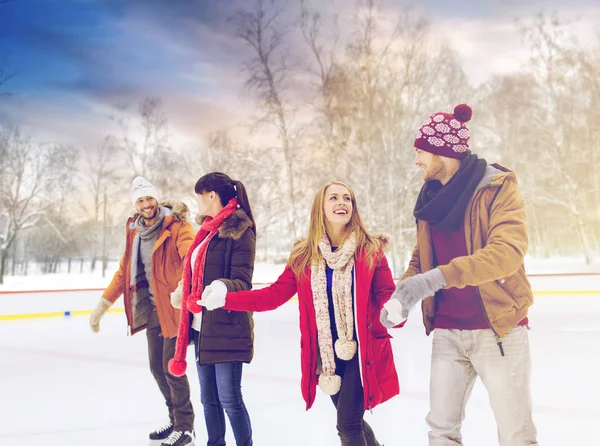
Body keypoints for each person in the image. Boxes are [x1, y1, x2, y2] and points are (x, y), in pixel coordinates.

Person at [199, 181, 404, 446]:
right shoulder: (304, 256)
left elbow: (387, 295)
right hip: (326, 355)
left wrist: (397, 309)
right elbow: (273, 295)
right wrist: (227, 298)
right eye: (334, 198)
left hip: (362, 352)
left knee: (348, 425)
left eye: (347, 198)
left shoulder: (370, 251)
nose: (342, 203)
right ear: (321, 206)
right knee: (352, 420)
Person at [382, 104, 538, 446]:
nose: (416, 160)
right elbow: (422, 258)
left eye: (421, 151)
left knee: (516, 435)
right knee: (441, 431)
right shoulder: (430, 200)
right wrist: (402, 295)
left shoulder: (498, 187)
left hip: (497, 330)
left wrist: (432, 279)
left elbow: (506, 254)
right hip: (448, 331)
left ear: (442, 151)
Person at [89, 176, 195, 446]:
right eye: (140, 200)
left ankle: (186, 428)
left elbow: (191, 257)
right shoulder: (135, 233)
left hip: (174, 308)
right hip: (151, 311)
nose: (146, 204)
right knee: (157, 369)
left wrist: (184, 286)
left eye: (149, 198)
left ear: (156, 199)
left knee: (173, 368)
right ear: (135, 205)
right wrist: (103, 304)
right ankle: (174, 420)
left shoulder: (177, 226)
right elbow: (124, 272)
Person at [168, 172, 256, 446]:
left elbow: (242, 280)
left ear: (211, 195)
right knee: (209, 400)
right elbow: (196, 272)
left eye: (199, 196)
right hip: (201, 327)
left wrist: (220, 286)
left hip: (227, 326)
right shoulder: (207, 230)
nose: (197, 202)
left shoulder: (240, 228)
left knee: (229, 398)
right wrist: (185, 287)